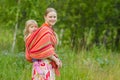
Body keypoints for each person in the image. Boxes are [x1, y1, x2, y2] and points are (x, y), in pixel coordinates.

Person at [24, 8, 62, 80]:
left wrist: (56, 59)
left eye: (54, 17)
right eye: (50, 17)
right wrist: (56, 60)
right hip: (43, 65)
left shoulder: (49, 30)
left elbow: (48, 49)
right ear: (45, 17)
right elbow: (46, 51)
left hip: (46, 64)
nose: (53, 19)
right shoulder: (45, 30)